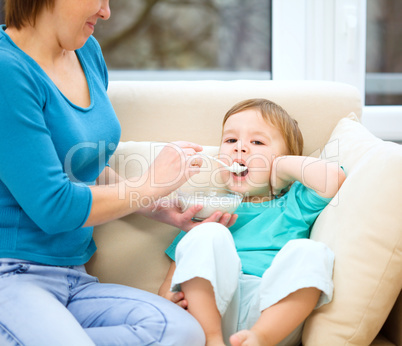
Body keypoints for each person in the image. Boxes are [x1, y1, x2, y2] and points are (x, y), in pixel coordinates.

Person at [0, 1, 237, 345]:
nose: (106, 12)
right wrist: (148, 183)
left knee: (182, 332)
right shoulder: (7, 72)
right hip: (12, 276)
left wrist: (152, 203)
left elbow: (82, 168)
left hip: (72, 278)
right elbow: (54, 207)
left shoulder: (87, 53)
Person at [159, 98, 346, 346]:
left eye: (257, 142)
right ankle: (211, 340)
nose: (240, 148)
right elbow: (176, 275)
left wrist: (281, 167)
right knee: (208, 233)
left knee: (312, 251)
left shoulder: (295, 202)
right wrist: (167, 297)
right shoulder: (207, 211)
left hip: (273, 312)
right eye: (230, 140)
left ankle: (258, 339)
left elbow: (333, 178)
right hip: (212, 310)